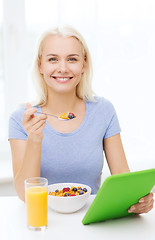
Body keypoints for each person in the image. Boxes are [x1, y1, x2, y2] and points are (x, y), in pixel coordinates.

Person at [9, 25, 154, 214]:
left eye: (72, 59)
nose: (62, 68)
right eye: (53, 59)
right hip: (43, 221)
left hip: (94, 219)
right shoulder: (21, 118)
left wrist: (138, 200)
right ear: (40, 65)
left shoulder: (103, 110)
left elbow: (122, 178)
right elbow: (24, 194)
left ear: (83, 65)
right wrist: (35, 139)